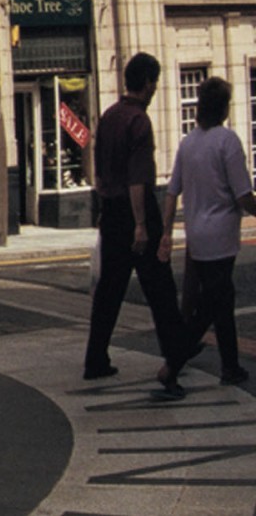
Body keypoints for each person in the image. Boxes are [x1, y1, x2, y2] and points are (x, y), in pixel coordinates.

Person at [83, 52, 204, 393]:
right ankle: (176, 351)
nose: (155, 89)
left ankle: (95, 358)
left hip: (110, 210)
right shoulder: (139, 121)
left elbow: (100, 168)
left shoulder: (108, 117)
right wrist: (141, 224)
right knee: (160, 287)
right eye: (155, 83)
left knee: (109, 290)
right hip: (135, 211)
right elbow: (138, 178)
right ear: (148, 83)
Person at [162, 74, 256, 387]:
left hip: (196, 237)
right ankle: (173, 364)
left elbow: (172, 191)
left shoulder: (188, 143)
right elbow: (243, 195)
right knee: (211, 306)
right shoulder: (227, 142)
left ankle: (230, 366)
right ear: (224, 108)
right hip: (220, 238)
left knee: (222, 301)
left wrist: (166, 232)